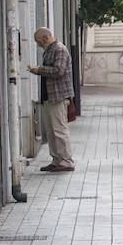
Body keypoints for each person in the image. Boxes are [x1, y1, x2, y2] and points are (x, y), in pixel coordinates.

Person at [27, 28, 75, 172]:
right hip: (49, 96)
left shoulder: (59, 49)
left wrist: (39, 70)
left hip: (58, 96)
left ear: (46, 37)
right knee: (51, 130)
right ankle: (56, 159)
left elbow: (58, 70)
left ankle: (66, 161)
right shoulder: (50, 50)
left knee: (59, 129)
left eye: (39, 42)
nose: (39, 45)